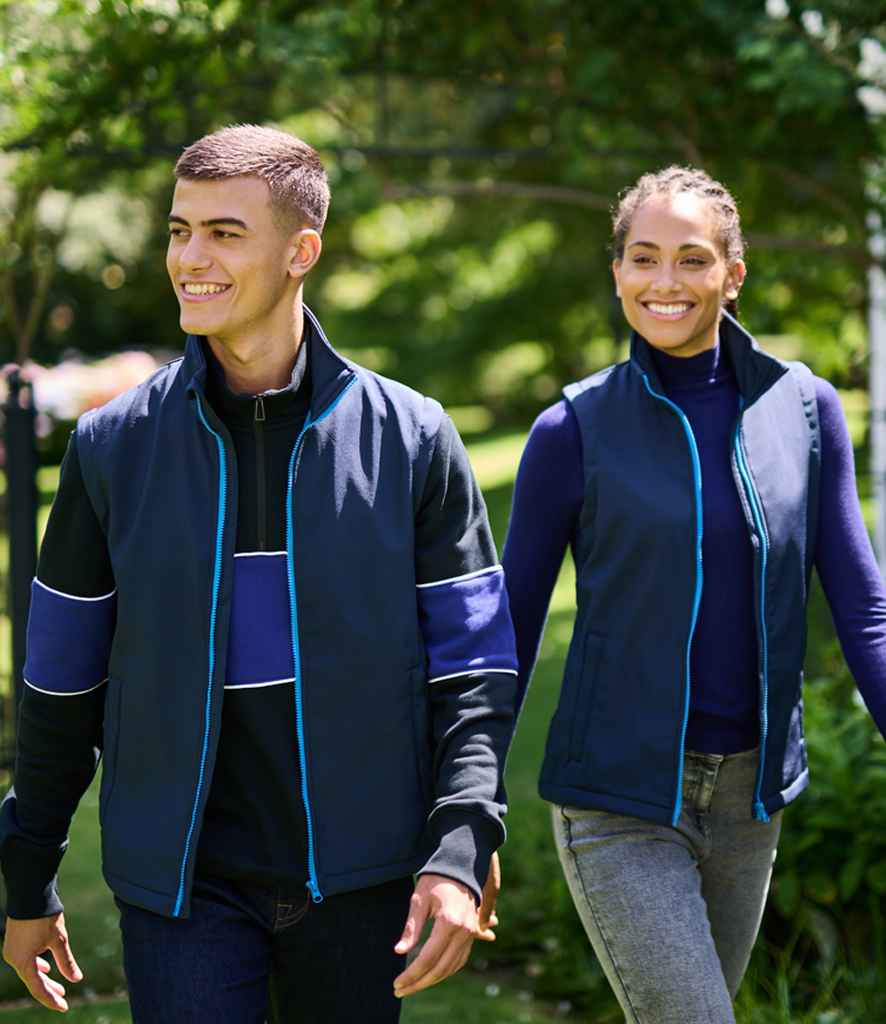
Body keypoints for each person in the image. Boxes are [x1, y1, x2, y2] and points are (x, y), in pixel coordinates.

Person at [0, 124, 517, 1022]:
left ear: (300, 252)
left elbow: (472, 670)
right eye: (179, 231)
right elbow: (61, 680)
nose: (189, 259)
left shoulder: (412, 438)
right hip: (184, 888)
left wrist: (461, 841)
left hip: (362, 875)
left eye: (224, 234)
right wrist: (28, 871)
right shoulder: (111, 449)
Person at [501, 166, 886, 1023]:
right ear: (617, 273)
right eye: (643, 258)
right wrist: (465, 810)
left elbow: (865, 613)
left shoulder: (805, 410)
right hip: (619, 796)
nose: (664, 281)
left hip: (750, 800)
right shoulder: (572, 430)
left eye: (692, 258)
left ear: (732, 274)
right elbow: (511, 631)